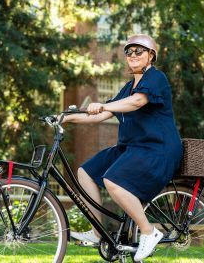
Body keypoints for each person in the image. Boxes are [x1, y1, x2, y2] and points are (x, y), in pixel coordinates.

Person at [61, 34, 183, 261]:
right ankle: (98, 232)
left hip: (158, 149)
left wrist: (104, 104)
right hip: (132, 148)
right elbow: (101, 115)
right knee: (85, 173)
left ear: (151, 56)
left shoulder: (156, 78)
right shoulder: (128, 87)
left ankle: (149, 231)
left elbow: (137, 102)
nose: (133, 55)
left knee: (113, 180)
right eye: (129, 52)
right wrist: (67, 118)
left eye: (139, 51)